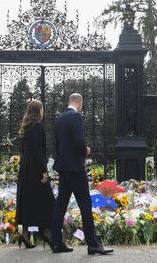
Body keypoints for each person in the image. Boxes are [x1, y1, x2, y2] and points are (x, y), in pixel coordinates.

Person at [50, 93, 114, 255]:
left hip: (64, 168)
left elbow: (56, 145)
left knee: (60, 206)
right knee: (85, 205)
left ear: (69, 102)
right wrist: (86, 150)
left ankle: (56, 242)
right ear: (80, 102)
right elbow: (79, 142)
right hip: (76, 169)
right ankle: (93, 244)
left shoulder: (59, 119)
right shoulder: (76, 117)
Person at [15, 99, 54, 249]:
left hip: (26, 169)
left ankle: (25, 234)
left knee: (28, 201)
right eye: (42, 109)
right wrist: (44, 171)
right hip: (35, 169)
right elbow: (38, 152)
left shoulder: (26, 127)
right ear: (39, 111)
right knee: (47, 202)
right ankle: (47, 233)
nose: (43, 112)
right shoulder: (37, 126)